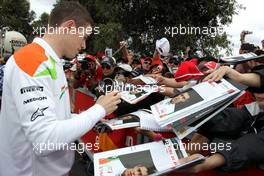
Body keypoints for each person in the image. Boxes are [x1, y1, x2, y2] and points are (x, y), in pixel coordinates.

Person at [0, 2, 121, 176]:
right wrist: (98, 110)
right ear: (70, 27)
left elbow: (56, 118)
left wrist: (88, 120)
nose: (84, 45)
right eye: (84, 37)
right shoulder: (32, 61)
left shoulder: (50, 61)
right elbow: (44, 140)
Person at [177, 66, 264, 174]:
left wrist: (209, 163)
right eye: (260, 96)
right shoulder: (254, 108)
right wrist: (186, 110)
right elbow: (226, 118)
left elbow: (253, 144)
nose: (261, 96)